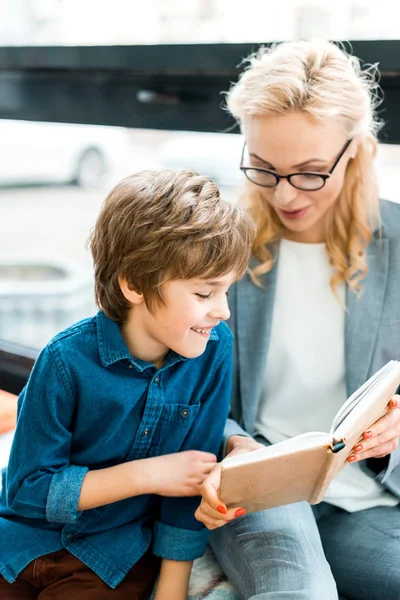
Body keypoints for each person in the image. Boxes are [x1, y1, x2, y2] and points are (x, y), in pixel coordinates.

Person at [194, 40, 400, 600]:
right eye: (264, 168)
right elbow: (177, 386)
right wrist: (237, 447)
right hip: (262, 491)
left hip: (370, 500)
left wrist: (394, 432)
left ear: (356, 150)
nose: (284, 194)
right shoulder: (218, 248)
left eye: (309, 172)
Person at [0, 169, 255, 600]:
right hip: (19, 540)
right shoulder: (63, 361)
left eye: (226, 292)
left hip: (110, 557)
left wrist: (170, 592)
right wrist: (148, 474)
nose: (223, 311)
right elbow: (27, 489)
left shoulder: (214, 349)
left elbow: (189, 486)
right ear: (134, 284)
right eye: (204, 293)